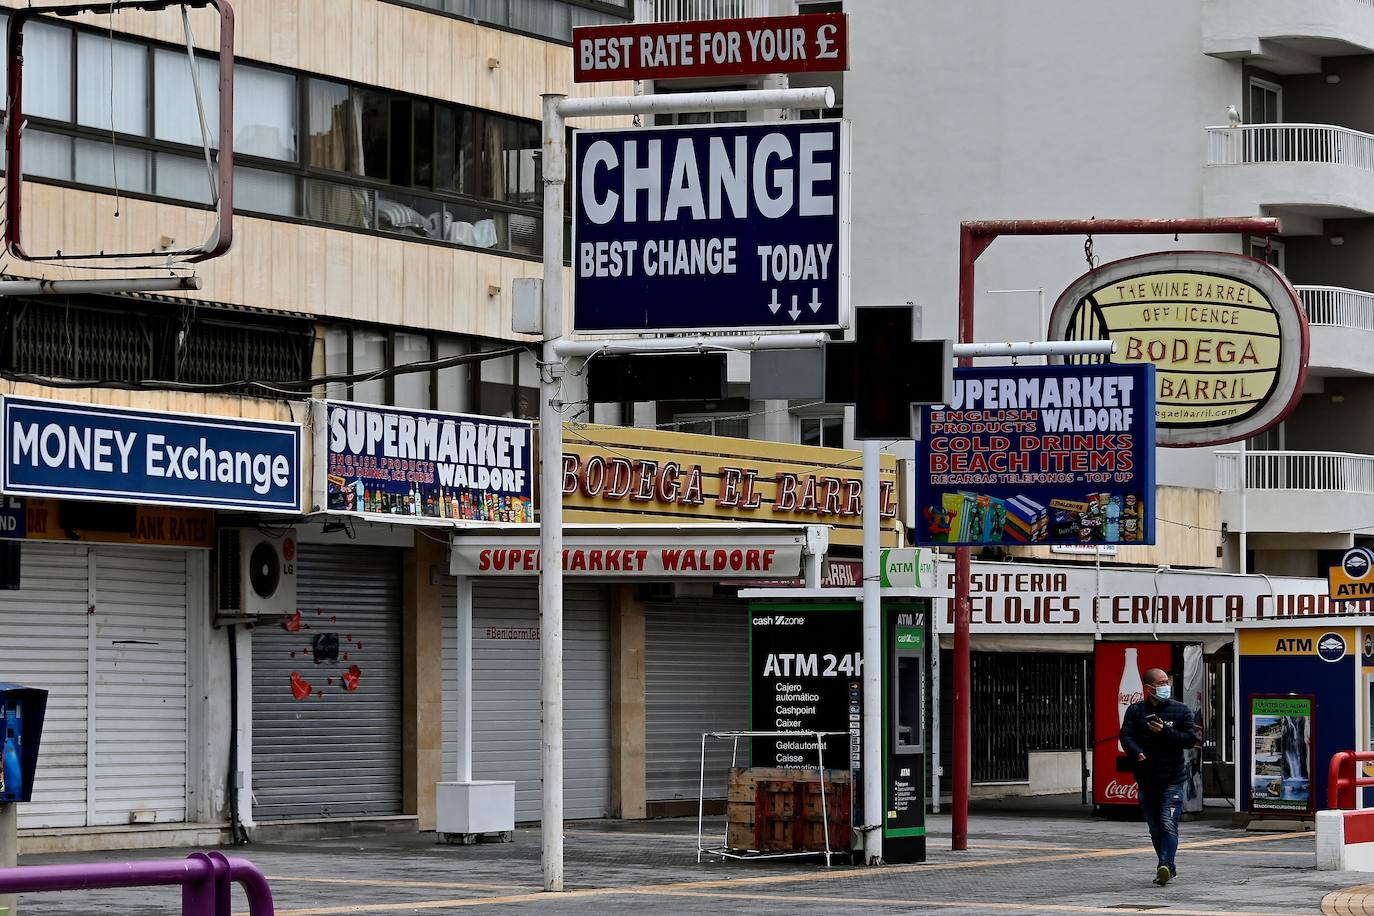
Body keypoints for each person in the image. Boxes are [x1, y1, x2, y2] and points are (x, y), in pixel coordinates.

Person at [1119, 667, 1200, 887]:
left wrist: (1165, 731)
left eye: (1167, 682)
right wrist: (1137, 752)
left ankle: (1165, 864)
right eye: (1161, 683)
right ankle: (1167, 866)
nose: (1166, 686)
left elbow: (1190, 739)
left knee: (1168, 823)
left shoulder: (1181, 710)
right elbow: (1125, 736)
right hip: (1146, 779)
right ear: (1149, 687)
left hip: (1173, 778)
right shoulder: (1136, 711)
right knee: (1155, 828)